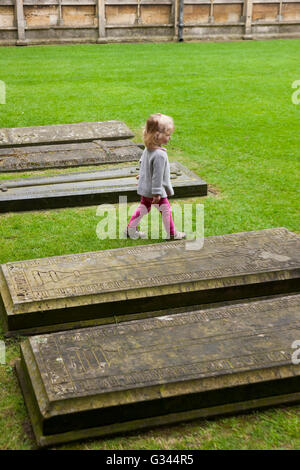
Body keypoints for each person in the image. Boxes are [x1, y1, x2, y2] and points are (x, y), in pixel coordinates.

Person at [125, 113, 186, 240]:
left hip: (146, 189)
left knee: (143, 208)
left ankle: (130, 229)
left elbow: (143, 163)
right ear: (157, 136)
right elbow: (157, 176)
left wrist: (142, 175)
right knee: (165, 210)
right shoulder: (159, 155)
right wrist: (157, 193)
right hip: (155, 192)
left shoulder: (149, 149)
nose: (170, 138)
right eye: (168, 135)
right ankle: (172, 234)